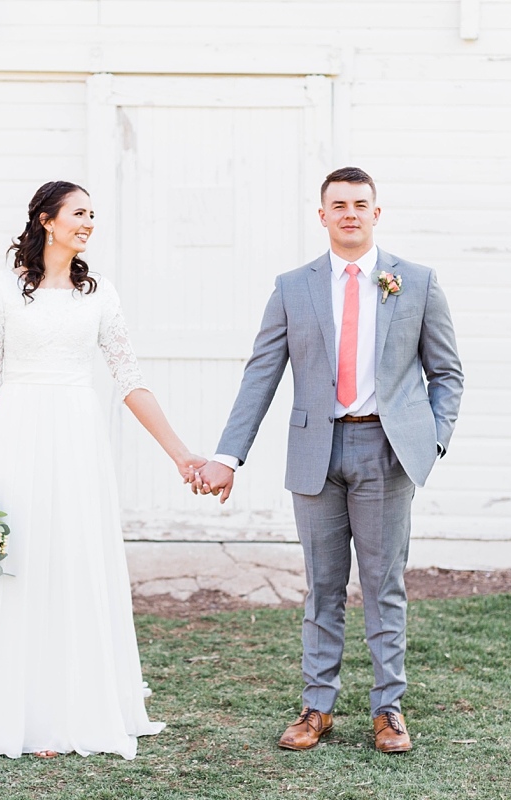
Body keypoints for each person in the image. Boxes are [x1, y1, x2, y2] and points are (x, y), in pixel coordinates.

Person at [194, 167, 463, 753]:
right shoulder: (294, 286)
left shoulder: (414, 281)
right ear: (322, 216)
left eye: (360, 204)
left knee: (384, 584)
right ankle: (317, 707)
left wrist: (432, 440)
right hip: (316, 451)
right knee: (322, 588)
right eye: (337, 204)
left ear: (376, 213)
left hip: (388, 453)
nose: (349, 213)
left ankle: (387, 709)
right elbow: (260, 374)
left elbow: (446, 373)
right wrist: (227, 455)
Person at [0, 180, 205, 760]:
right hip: (15, 434)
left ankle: (79, 710)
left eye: (93, 214)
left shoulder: (100, 296)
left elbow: (130, 379)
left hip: (76, 435)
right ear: (47, 220)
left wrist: (179, 451)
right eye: (78, 213)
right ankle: (25, 718)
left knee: (75, 560)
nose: (88, 222)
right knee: (21, 564)